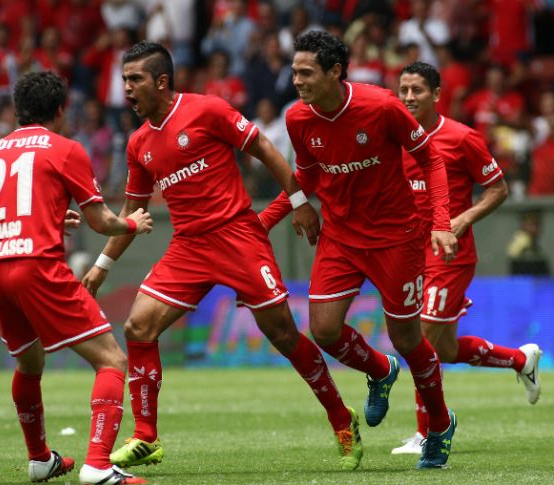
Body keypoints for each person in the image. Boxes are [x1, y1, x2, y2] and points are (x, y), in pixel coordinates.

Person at [81, 41, 364, 472]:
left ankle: (342, 419)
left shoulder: (208, 110)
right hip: (189, 247)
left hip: (238, 238)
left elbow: (265, 149)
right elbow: (130, 214)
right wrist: (102, 266)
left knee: (285, 338)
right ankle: (145, 437)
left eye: (134, 79)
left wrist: (300, 200)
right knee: (138, 326)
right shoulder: (139, 143)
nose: (127, 89)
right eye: (123, 80)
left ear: (161, 81)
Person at [258, 31, 458, 470]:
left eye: (306, 72)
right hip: (340, 237)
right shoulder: (297, 119)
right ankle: (380, 371)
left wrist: (440, 223)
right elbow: (306, 174)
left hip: (396, 239)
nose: (297, 81)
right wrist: (273, 217)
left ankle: (440, 425)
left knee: (409, 339)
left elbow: (431, 160)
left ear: (335, 72)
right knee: (325, 331)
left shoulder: (382, 106)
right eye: (294, 72)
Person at [0, 71, 151, 485]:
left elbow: (7, 213)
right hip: (35, 265)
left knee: (29, 362)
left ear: (20, 111)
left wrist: (52, 216)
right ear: (60, 110)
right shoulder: (65, 148)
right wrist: (131, 223)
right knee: (111, 360)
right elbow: (102, 222)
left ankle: (40, 458)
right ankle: (97, 465)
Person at [393, 61, 543, 454]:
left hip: (449, 255)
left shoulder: (461, 138)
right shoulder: (394, 139)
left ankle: (428, 433)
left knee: (419, 338)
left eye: (418, 90)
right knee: (443, 350)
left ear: (437, 94)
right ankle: (519, 360)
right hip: (409, 255)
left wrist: (463, 218)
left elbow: (498, 189)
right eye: (404, 90)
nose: (409, 97)